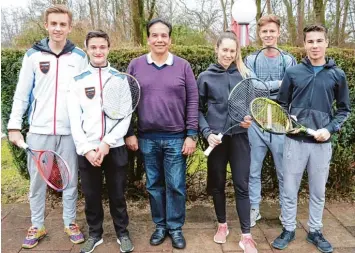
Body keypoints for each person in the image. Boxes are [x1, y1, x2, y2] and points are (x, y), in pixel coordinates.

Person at [7, 4, 87, 249]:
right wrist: (13, 126)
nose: (58, 28)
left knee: (70, 180)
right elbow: (21, 95)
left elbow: (86, 96)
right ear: (46, 25)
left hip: (70, 132)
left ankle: (70, 221)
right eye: (53, 23)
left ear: (69, 27)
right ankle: (37, 224)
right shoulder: (33, 55)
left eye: (63, 24)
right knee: (37, 182)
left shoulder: (80, 57)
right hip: (39, 131)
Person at [271, 24, 351, 253]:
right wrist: (288, 122)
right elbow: (281, 105)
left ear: (326, 43)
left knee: (318, 191)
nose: (314, 46)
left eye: (319, 41)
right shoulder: (293, 73)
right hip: (294, 142)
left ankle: (315, 231)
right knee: (289, 189)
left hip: (321, 144)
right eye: (310, 41)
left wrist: (330, 128)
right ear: (304, 44)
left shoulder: (337, 74)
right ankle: (288, 229)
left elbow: (344, 110)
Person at [125, 18, 198, 249]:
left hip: (176, 138)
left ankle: (175, 228)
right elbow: (126, 102)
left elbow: (193, 101)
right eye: (154, 35)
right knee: (154, 185)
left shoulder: (183, 66)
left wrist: (191, 134)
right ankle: (160, 226)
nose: (159, 39)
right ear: (148, 39)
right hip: (147, 138)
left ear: (170, 39)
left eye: (163, 35)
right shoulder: (135, 65)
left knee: (176, 185)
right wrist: (129, 133)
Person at [68, 30, 134, 253]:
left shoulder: (119, 78)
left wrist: (107, 142)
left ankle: (122, 233)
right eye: (93, 47)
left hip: (114, 148)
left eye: (102, 47)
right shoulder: (77, 81)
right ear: (87, 48)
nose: (98, 51)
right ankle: (95, 234)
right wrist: (86, 149)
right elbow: (74, 120)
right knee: (92, 196)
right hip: (88, 151)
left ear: (108, 48)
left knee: (117, 194)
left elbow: (126, 115)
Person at [198, 31, 257, 253]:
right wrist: (206, 132)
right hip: (216, 141)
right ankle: (222, 225)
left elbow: (251, 106)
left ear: (236, 52)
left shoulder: (244, 76)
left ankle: (246, 235)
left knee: (242, 185)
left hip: (240, 139)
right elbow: (197, 110)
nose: (228, 54)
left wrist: (249, 119)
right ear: (217, 49)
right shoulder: (205, 77)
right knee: (217, 185)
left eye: (232, 51)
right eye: (225, 50)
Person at [244, 14, 297, 227]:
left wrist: (268, 86)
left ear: (278, 32)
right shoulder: (251, 59)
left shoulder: (288, 59)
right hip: (256, 122)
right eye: (264, 31)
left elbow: (290, 88)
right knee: (253, 170)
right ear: (259, 33)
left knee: (284, 172)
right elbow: (253, 86)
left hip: (280, 123)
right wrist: (279, 84)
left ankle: (286, 212)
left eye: (272, 31)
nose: (268, 35)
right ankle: (254, 209)